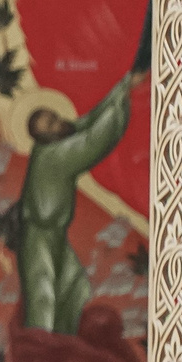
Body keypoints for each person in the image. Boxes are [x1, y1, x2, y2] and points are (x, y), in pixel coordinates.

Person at [17, 68, 146, 335]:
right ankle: (40, 349)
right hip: (38, 236)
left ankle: (61, 341)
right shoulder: (54, 156)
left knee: (74, 285)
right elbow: (94, 140)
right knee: (43, 296)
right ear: (44, 137)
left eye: (54, 117)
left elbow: (87, 123)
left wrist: (123, 87)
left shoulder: (55, 141)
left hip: (54, 234)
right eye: (51, 124)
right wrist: (123, 97)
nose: (58, 122)